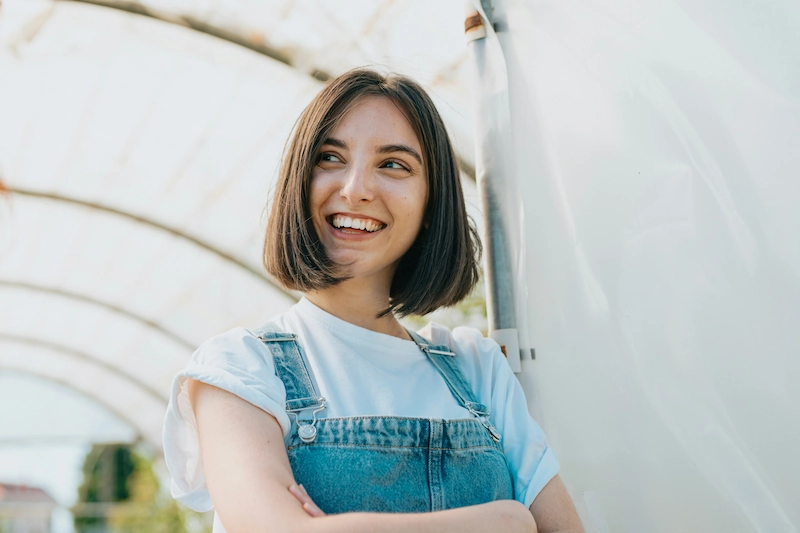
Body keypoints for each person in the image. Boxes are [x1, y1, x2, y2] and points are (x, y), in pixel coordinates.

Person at [163, 68, 583, 533]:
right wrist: (506, 519)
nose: (356, 188)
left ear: (431, 205)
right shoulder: (240, 368)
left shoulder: (477, 368)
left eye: (393, 164)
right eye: (329, 157)